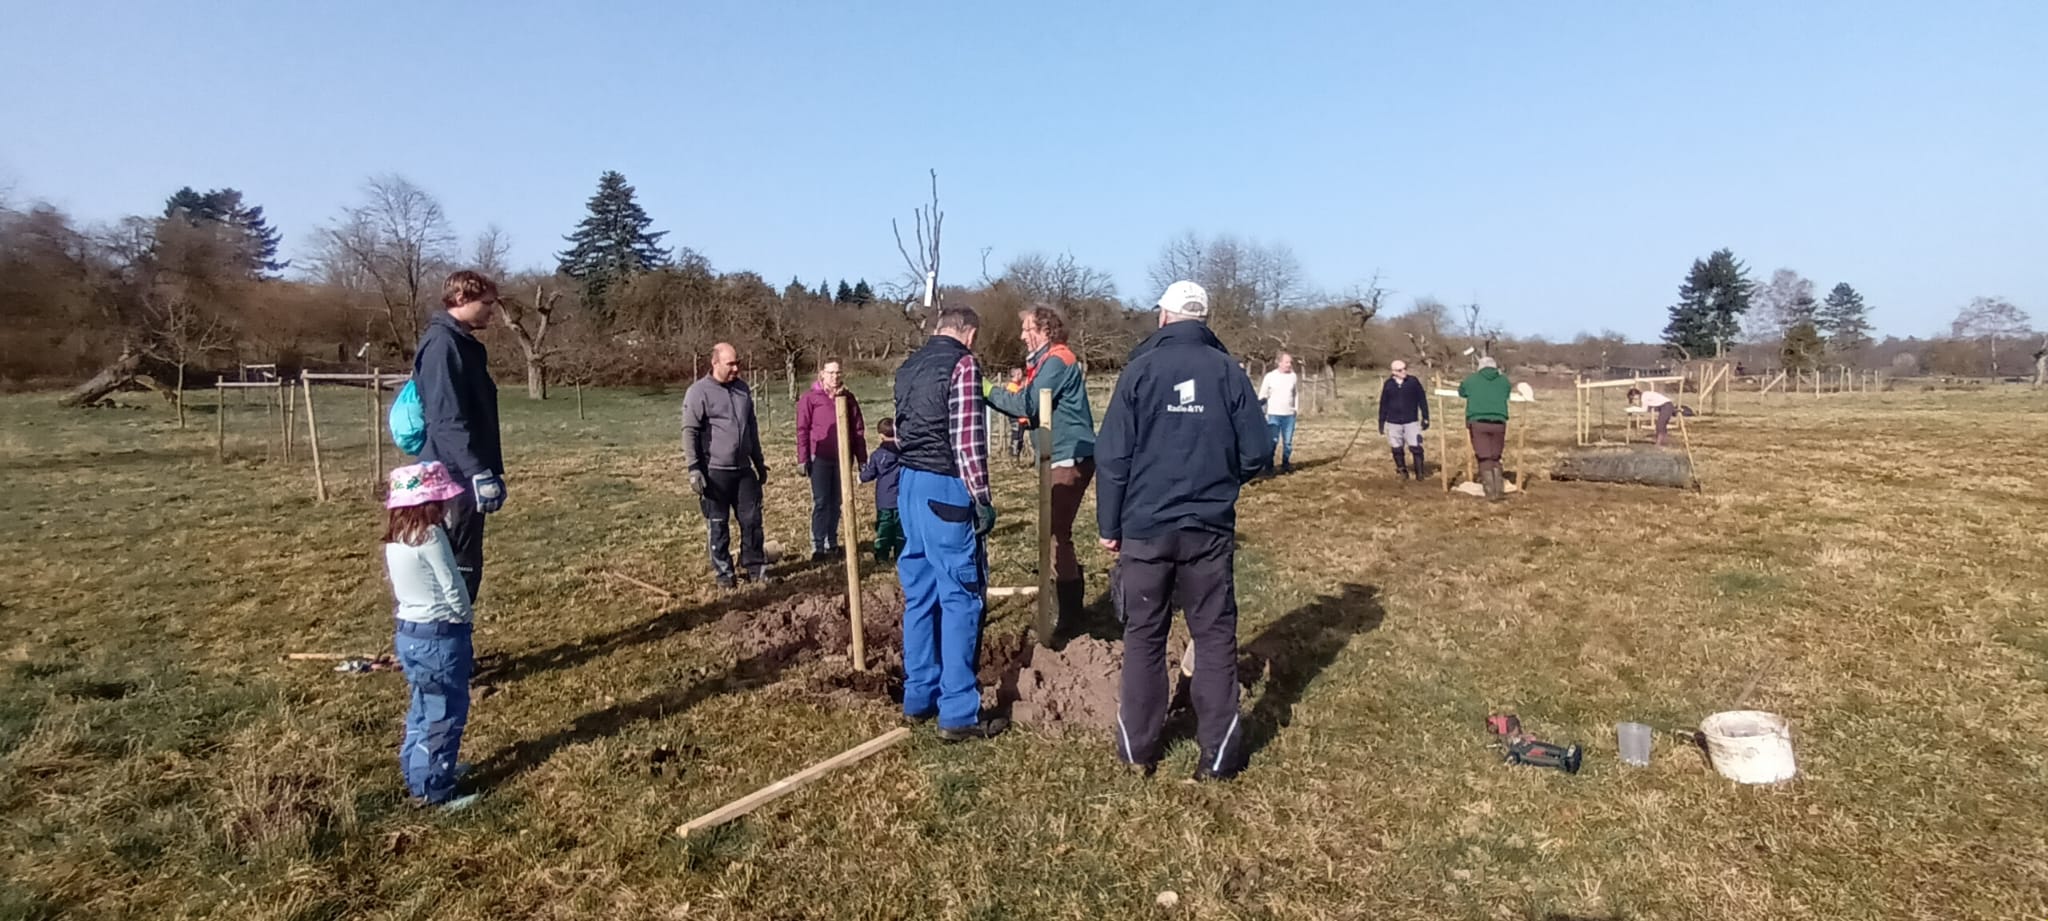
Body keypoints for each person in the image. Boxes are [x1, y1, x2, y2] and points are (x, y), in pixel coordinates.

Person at [1097, 280, 1270, 780]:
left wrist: (1110, 525)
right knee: (1215, 638)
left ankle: (1137, 753)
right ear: (1203, 319)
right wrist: (1219, 477)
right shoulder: (1229, 372)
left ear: (1165, 317)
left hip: (1146, 530)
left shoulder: (1139, 371)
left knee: (1144, 636)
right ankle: (1217, 760)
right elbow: (1257, 454)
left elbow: (1112, 457)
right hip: (1208, 530)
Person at [894, 307, 1007, 741]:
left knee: (919, 593)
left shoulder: (908, 366)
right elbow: (967, 441)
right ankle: (958, 711)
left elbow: (903, 433)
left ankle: (918, 695)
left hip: (909, 486)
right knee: (961, 595)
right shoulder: (963, 365)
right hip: (946, 487)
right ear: (970, 333)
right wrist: (981, 497)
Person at [984, 305, 1099, 629]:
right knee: (1054, 533)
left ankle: (1071, 617)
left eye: (1027, 328)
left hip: (1068, 456)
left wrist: (986, 389)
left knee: (1055, 534)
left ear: (1046, 330)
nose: (1021, 335)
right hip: (1057, 454)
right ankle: (1069, 608)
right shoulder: (1045, 363)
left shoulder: (1057, 361)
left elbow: (1030, 404)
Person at [382, 460, 480, 810]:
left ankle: (419, 771)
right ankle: (436, 789)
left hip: (408, 634)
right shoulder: (431, 536)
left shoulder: (395, 540)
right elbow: (452, 585)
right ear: (430, 503)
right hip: (441, 635)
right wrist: (464, 618)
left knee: (422, 707)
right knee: (446, 713)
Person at [414, 270, 504, 602]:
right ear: (461, 298)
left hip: (464, 471)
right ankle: (448, 646)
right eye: (487, 303)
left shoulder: (462, 344)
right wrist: (476, 471)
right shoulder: (443, 345)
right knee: (455, 565)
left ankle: (456, 643)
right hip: (449, 474)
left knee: (465, 560)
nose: (491, 311)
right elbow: (446, 418)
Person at [682, 343, 770, 588]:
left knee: (752, 521)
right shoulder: (698, 392)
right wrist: (694, 468)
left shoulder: (742, 390)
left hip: (743, 470)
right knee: (718, 525)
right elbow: (689, 431)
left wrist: (759, 462)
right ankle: (724, 575)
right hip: (714, 471)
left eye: (737, 363)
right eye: (730, 364)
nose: (736, 368)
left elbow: (751, 428)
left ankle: (755, 567)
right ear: (715, 363)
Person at [796, 360, 868, 561]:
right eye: (831, 373)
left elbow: (858, 430)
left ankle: (832, 542)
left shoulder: (848, 398)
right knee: (821, 501)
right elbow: (802, 429)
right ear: (822, 374)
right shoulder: (810, 398)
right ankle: (817, 545)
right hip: (819, 457)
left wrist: (862, 458)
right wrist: (802, 458)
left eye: (838, 373)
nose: (835, 377)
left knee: (837, 501)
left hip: (843, 458)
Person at [1458, 356, 1513, 500]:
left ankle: (1490, 492)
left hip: (1478, 422)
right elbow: (1507, 393)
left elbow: (1462, 392)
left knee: (1484, 457)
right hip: (1499, 422)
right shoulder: (1503, 380)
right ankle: (1498, 489)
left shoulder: (1471, 379)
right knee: (1496, 456)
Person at [859, 418, 904, 563]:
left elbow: (869, 473)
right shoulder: (903, 453)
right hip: (900, 498)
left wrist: (861, 477)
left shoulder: (878, 455)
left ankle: (882, 555)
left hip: (884, 500)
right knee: (900, 527)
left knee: (884, 526)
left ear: (881, 435)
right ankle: (901, 553)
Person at [1378, 359, 1431, 480]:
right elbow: (1383, 404)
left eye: (1405, 368)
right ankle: (1402, 470)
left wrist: (1426, 417)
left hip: (1411, 421)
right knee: (1396, 447)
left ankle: (1420, 473)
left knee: (1416, 447)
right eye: (1400, 370)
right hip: (1393, 421)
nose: (1404, 371)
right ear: (1393, 372)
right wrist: (1381, 422)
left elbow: (1422, 400)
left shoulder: (1413, 382)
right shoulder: (1388, 384)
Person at [1259, 352, 1301, 474]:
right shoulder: (1270, 377)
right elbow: (1262, 395)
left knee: (1287, 442)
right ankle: (1269, 466)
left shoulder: (1293, 376)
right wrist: (1263, 411)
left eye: (1290, 362)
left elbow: (1295, 394)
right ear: (1279, 362)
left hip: (1289, 415)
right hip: (1273, 414)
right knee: (1272, 441)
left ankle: (1286, 464)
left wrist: (1296, 409)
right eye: (1287, 362)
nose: (1289, 365)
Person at [1003, 367, 1029, 461]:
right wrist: (1023, 389)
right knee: (1016, 437)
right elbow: (1015, 400)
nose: (1022, 376)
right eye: (1020, 374)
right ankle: (1014, 457)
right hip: (1015, 417)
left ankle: (1017, 456)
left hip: (1021, 417)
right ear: (1016, 375)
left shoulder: (1018, 386)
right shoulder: (1011, 387)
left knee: (1020, 438)